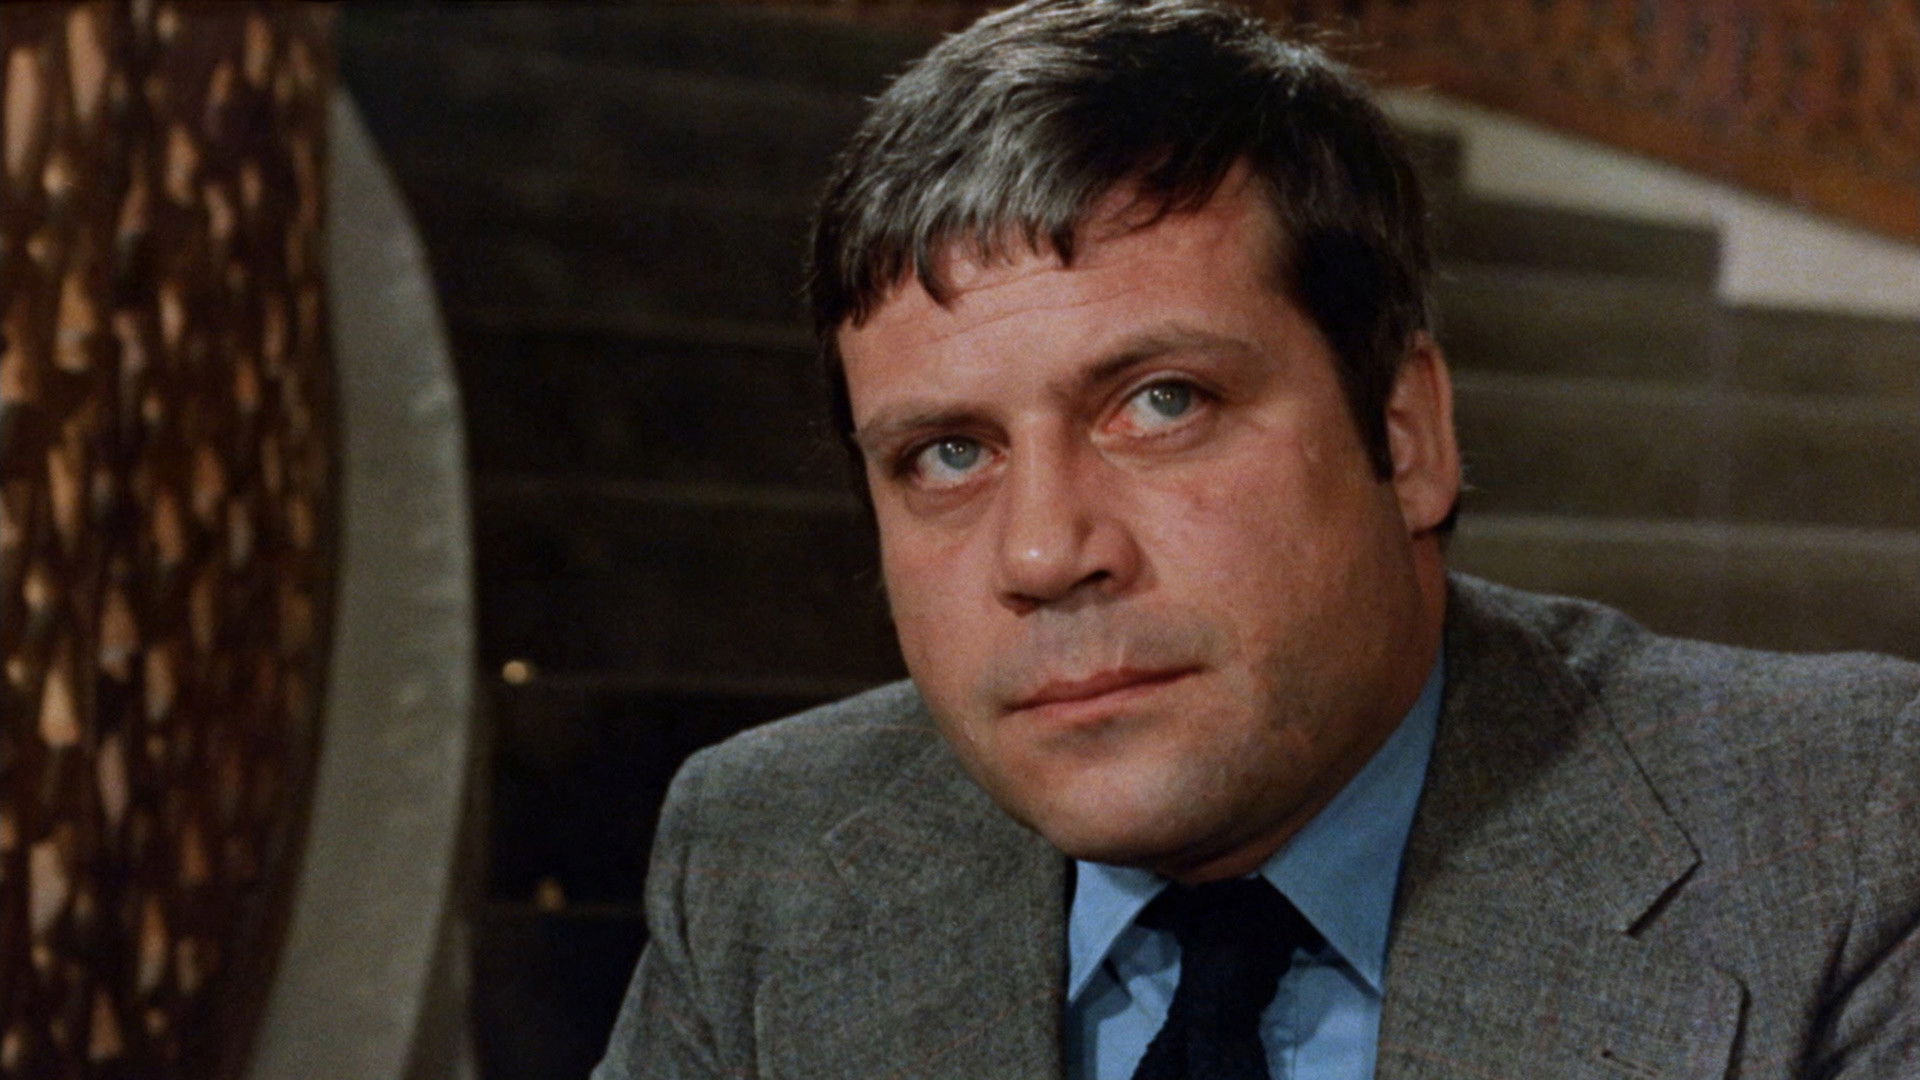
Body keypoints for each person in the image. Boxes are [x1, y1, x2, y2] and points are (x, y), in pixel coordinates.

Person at [594, 1, 1920, 1076]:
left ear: (1404, 434)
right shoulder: (767, 851)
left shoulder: (1842, 833)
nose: (1044, 554)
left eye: (1161, 403)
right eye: (948, 453)